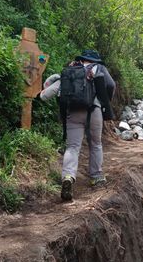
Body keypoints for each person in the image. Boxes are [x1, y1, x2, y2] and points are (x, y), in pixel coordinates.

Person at [41, 50, 115, 201]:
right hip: (94, 111)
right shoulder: (99, 68)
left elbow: (47, 94)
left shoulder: (72, 69)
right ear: (95, 60)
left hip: (73, 111)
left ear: (82, 59)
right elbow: (111, 85)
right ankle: (96, 177)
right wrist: (105, 101)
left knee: (73, 147)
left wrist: (40, 94)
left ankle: (68, 176)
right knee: (96, 144)